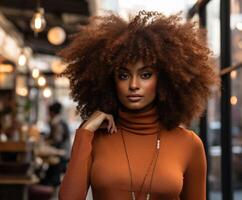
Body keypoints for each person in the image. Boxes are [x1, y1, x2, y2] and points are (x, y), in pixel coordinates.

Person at [58, 11, 220, 200]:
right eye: (124, 75)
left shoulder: (189, 145)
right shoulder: (94, 138)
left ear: (165, 79)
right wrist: (85, 131)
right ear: (110, 80)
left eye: (145, 75)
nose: (133, 85)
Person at [41, 101, 70, 186]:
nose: (48, 114)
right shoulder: (58, 121)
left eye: (49, 112)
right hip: (63, 153)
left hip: (62, 155)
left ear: (52, 112)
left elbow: (57, 140)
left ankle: (50, 186)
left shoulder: (58, 123)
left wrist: (46, 142)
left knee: (50, 175)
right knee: (49, 172)